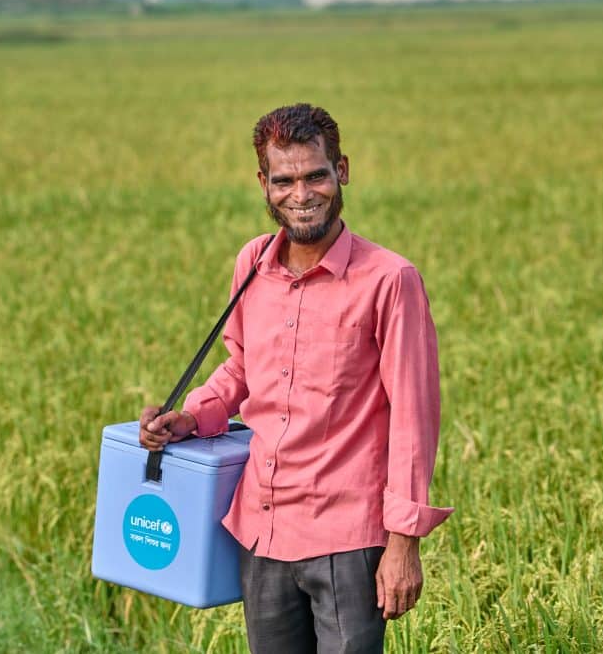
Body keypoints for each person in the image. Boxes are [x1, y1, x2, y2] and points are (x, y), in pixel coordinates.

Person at [139, 103, 453, 653]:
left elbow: (413, 418)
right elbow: (240, 364)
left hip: (348, 541)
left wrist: (404, 543)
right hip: (262, 532)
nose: (301, 194)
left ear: (343, 171)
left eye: (316, 176)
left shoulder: (390, 280)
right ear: (263, 183)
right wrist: (190, 416)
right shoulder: (253, 263)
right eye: (283, 180)